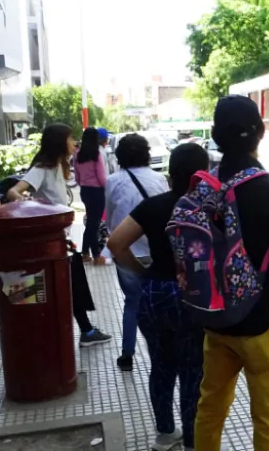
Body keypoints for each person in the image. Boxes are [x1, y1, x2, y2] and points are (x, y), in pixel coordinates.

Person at [193, 95, 269, 451]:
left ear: (215, 134)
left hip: (217, 321)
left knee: (210, 408)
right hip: (264, 324)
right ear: (260, 131)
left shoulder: (203, 186)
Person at [107, 142, 210, 451]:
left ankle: (165, 434)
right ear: (203, 175)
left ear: (170, 174)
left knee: (162, 365)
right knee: (193, 370)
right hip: (194, 297)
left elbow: (116, 243)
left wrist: (143, 273)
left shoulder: (153, 206)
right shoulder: (208, 209)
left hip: (156, 294)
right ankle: (192, 441)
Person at [6, 124, 112, 347]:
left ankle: (85, 330)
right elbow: (13, 191)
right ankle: (42, 334)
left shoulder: (57, 167)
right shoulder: (42, 168)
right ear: (58, 142)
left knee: (73, 285)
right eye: (70, 138)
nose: (74, 143)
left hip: (60, 240)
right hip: (46, 243)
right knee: (50, 288)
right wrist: (27, 202)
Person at [104, 133, 169, 372]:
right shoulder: (159, 179)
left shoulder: (112, 181)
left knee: (132, 302)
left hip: (126, 251)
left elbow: (110, 219)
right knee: (160, 302)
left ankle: (127, 354)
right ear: (146, 154)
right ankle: (161, 351)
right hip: (156, 250)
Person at [75, 127, 108, 265]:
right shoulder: (96, 155)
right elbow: (101, 176)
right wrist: (107, 189)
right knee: (94, 224)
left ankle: (85, 253)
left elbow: (77, 177)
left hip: (85, 191)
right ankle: (96, 255)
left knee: (90, 222)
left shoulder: (77, 155)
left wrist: (84, 184)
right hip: (97, 192)